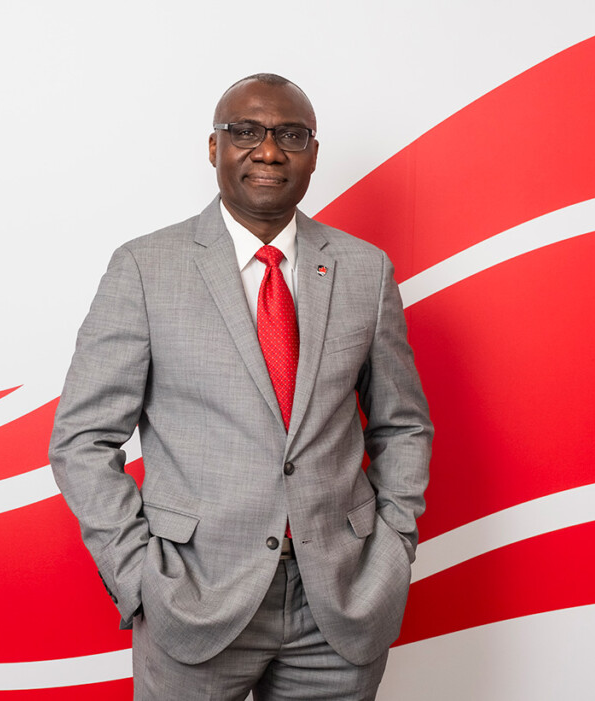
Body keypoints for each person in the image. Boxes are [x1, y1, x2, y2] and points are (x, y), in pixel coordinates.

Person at [49, 73, 433, 700]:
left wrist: (392, 547)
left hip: (339, 599)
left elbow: (402, 423)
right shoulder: (146, 268)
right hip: (193, 599)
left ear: (312, 152)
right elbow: (83, 439)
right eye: (246, 132)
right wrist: (138, 573)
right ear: (214, 148)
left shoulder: (365, 269)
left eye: (291, 135)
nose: (270, 151)